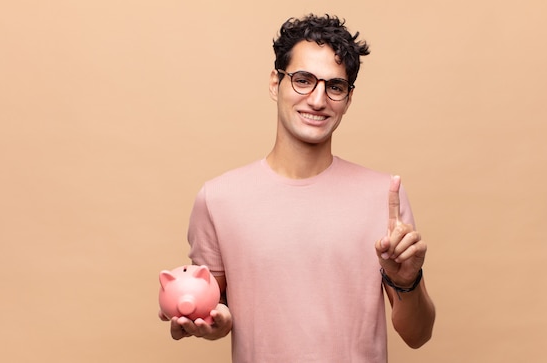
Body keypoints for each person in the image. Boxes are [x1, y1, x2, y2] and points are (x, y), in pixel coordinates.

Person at [161, 14, 436, 362]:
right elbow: (217, 311)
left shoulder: (385, 197)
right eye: (303, 80)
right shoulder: (218, 199)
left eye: (335, 86)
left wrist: (408, 281)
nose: (318, 100)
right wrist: (213, 322)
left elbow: (419, 335)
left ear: (348, 99)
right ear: (276, 83)